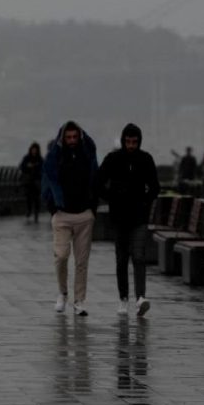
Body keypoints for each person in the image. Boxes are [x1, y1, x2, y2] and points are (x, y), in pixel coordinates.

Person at [96, 123, 159, 317]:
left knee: (139, 256)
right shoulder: (113, 159)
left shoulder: (146, 159)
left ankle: (140, 297)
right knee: (122, 259)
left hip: (139, 217)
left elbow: (155, 187)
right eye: (128, 141)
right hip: (119, 217)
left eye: (134, 141)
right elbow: (97, 181)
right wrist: (111, 197)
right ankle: (123, 298)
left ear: (139, 141)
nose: (131, 145)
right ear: (123, 141)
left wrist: (145, 203)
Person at [41, 121, 99, 316]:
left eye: (75, 137)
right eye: (69, 137)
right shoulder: (55, 157)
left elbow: (96, 179)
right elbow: (46, 181)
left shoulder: (88, 154)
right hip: (62, 214)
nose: (72, 141)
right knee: (61, 256)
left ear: (80, 137)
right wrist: (52, 207)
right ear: (62, 138)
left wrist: (92, 209)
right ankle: (62, 293)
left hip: (84, 214)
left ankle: (79, 301)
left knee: (82, 261)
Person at [18, 142, 44, 223]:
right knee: (28, 197)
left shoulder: (40, 159)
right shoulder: (26, 158)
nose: (34, 151)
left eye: (35, 150)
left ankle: (36, 213)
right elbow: (21, 166)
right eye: (33, 150)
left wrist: (36, 167)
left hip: (36, 180)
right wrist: (27, 166)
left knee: (36, 198)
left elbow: (43, 169)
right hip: (28, 181)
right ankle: (29, 210)